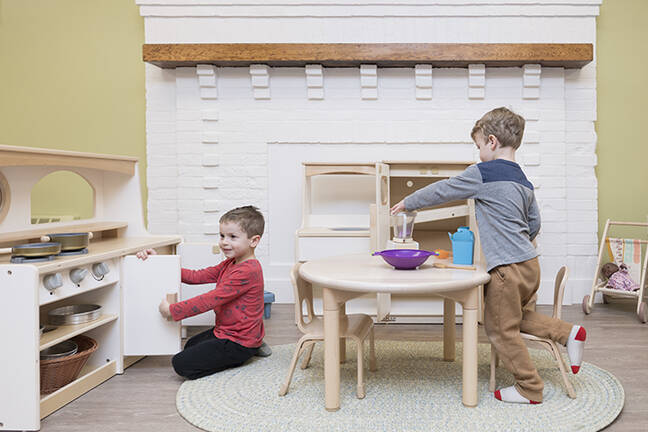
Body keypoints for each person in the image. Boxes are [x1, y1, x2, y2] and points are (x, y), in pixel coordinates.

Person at [390, 107, 587, 404]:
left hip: (506, 269)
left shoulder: (482, 173)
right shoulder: (524, 181)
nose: (479, 151)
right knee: (513, 318)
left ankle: (530, 387)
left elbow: (444, 190)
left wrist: (408, 202)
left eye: (479, 145)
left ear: (491, 142)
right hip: (530, 265)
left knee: (498, 328)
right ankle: (568, 333)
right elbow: (534, 224)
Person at [137, 205, 271, 380]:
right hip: (226, 331)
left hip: (238, 340)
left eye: (232, 237)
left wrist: (173, 310)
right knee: (190, 345)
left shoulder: (248, 270)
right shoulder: (231, 263)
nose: (224, 242)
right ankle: (252, 344)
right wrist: (161, 263)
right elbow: (197, 276)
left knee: (180, 364)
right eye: (222, 236)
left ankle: (247, 350)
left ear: (253, 241)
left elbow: (209, 300)